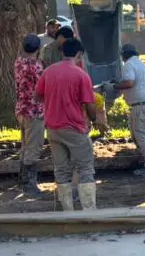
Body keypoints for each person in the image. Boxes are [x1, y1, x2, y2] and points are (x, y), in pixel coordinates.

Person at [36, 38, 98, 211]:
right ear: (79, 55)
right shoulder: (80, 75)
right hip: (74, 127)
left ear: (62, 52)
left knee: (61, 169)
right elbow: (89, 103)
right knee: (85, 167)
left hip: (53, 128)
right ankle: (89, 211)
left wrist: (53, 101)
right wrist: (94, 120)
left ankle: (67, 210)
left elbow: (38, 96)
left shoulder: (48, 72)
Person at [113, 43, 145, 177]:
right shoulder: (139, 64)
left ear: (123, 55)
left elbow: (129, 83)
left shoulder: (128, 64)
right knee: (137, 134)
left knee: (140, 135)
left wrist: (114, 86)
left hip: (142, 104)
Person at [14, 33, 46, 196]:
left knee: (25, 146)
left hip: (21, 108)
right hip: (35, 111)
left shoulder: (19, 62)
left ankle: (21, 180)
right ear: (38, 48)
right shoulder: (36, 66)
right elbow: (43, 89)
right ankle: (29, 184)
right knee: (34, 147)